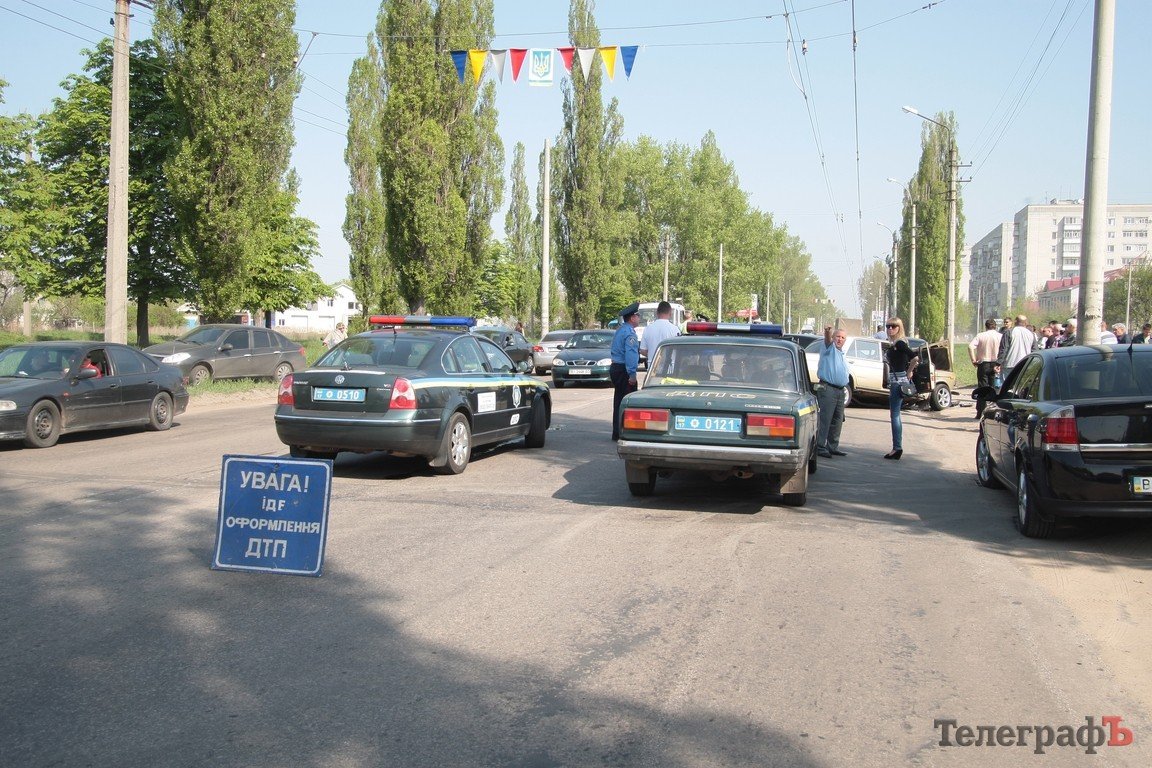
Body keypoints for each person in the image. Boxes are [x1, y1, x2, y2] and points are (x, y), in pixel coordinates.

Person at [883, 317, 919, 460]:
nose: (890, 329)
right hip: (896, 381)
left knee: (895, 415)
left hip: (898, 382)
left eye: (893, 326)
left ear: (899, 328)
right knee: (895, 414)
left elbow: (915, 358)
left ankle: (897, 447)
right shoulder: (895, 343)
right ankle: (896, 447)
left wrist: (909, 371)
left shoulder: (900, 343)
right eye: (888, 326)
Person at [814, 325, 849, 458]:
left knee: (837, 419)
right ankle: (820, 446)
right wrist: (828, 331)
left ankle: (833, 446)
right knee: (825, 418)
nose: (840, 339)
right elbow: (827, 340)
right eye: (837, 336)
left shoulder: (842, 354)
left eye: (842, 338)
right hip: (828, 388)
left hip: (840, 391)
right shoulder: (829, 348)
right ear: (833, 338)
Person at [609, 302, 641, 441]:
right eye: (637, 315)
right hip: (624, 370)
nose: (639, 318)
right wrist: (632, 374)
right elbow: (631, 354)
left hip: (616, 367)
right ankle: (627, 432)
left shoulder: (620, 330)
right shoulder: (630, 333)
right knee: (628, 402)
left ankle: (617, 432)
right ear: (632, 318)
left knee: (618, 402)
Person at [969, 318, 1001, 419]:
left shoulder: (981, 335)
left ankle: (980, 412)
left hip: (983, 363)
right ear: (995, 326)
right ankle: (993, 412)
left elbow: (970, 346)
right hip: (996, 363)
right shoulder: (1000, 336)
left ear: (986, 326)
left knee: (982, 388)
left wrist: (973, 360)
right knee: (994, 388)